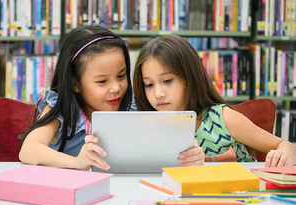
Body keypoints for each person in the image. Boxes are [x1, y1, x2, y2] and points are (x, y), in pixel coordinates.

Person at [133, 34, 296, 167]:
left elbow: (287, 146)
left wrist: (283, 157)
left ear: (190, 78)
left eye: (167, 81)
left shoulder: (223, 118)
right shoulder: (150, 126)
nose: (158, 93)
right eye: (149, 84)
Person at [19, 26, 133, 170]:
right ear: (75, 84)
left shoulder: (132, 106)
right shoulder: (60, 109)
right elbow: (28, 149)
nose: (116, 88)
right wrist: (75, 162)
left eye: (121, 76)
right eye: (102, 81)